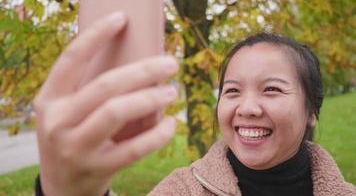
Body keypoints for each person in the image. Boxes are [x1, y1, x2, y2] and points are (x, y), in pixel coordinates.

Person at [34, 12, 355, 196]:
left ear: (312, 110)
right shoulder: (181, 189)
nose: (247, 108)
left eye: (271, 89)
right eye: (232, 91)